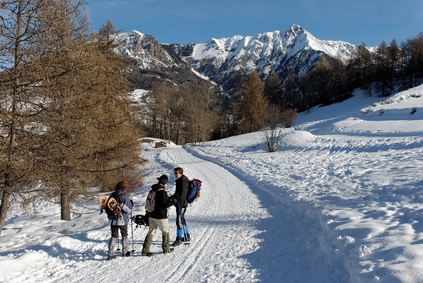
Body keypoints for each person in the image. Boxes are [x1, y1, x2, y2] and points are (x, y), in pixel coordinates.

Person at [142, 175, 177, 256]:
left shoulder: (152, 190)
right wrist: (173, 201)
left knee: (151, 232)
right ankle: (166, 248)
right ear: (165, 182)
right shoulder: (162, 192)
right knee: (165, 231)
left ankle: (145, 250)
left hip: (151, 214)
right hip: (161, 216)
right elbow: (164, 204)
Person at [107, 180, 133, 260]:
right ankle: (125, 251)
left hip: (113, 220)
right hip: (122, 220)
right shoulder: (124, 196)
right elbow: (129, 209)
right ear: (124, 188)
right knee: (124, 235)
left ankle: (111, 253)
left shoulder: (112, 195)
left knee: (113, 236)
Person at [170, 167, 191, 246]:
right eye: (174, 173)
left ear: (180, 173)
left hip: (181, 203)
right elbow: (177, 193)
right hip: (180, 203)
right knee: (182, 220)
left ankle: (179, 239)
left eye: (176, 173)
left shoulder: (183, 182)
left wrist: (177, 200)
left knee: (179, 221)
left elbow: (183, 194)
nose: (175, 174)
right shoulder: (179, 181)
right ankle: (187, 235)